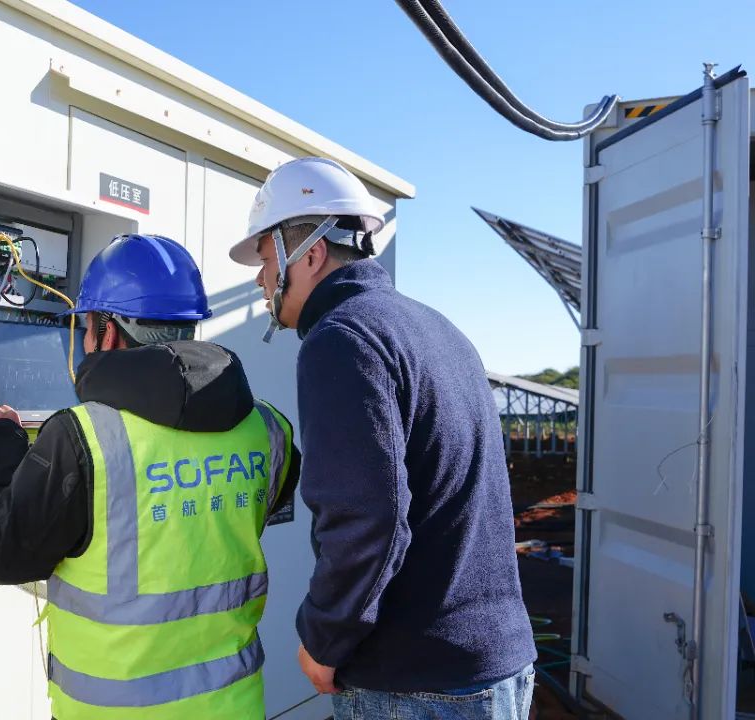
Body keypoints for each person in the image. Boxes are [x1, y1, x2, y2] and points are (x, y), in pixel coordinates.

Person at [228, 157, 536, 719]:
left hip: (416, 685)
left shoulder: (341, 338)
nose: (260, 280)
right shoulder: (435, 327)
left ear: (309, 254)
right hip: (493, 664)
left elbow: (367, 519)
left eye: (267, 259)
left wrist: (324, 638)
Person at [0, 233, 300, 720]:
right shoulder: (268, 429)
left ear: (108, 332)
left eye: (87, 327)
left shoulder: (82, 437)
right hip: (234, 706)